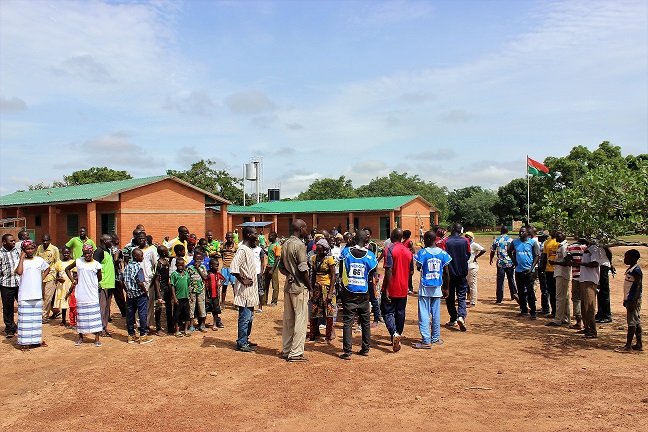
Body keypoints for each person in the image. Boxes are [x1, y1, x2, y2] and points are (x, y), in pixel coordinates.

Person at [338, 229, 377, 360]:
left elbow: (341, 269)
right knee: (365, 321)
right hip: (364, 292)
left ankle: (347, 352)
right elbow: (372, 275)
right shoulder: (371, 256)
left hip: (349, 290)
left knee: (348, 321)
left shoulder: (346, 252)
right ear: (366, 240)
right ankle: (365, 349)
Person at [412, 231, 452, 349]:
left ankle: (426, 340)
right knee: (436, 313)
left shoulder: (422, 253)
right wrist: (446, 287)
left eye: (424, 238)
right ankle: (435, 338)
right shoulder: (443, 253)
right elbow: (446, 272)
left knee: (424, 313)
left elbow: (419, 267)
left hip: (425, 287)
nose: (423, 240)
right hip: (437, 287)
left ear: (429, 239)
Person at [279, 219, 311, 362]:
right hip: (299, 288)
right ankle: (296, 352)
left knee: (288, 320)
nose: (307, 231)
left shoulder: (285, 244)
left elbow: (281, 266)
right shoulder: (300, 245)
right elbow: (303, 269)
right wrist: (310, 286)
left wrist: (289, 274)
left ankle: (286, 350)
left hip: (288, 287)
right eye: (306, 228)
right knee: (300, 320)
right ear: (301, 228)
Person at [65, 244, 103, 347]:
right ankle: (81, 337)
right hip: (81, 292)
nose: (87, 255)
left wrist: (91, 283)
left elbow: (99, 278)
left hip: (92, 293)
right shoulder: (78, 262)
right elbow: (67, 269)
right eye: (85, 253)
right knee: (81, 316)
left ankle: (96, 338)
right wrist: (73, 280)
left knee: (95, 315)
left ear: (92, 253)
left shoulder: (96, 264)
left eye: (89, 253)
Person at [14, 240, 50, 349]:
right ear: (23, 250)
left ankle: (35, 341)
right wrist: (21, 258)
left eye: (31, 248)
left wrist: (41, 278)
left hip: (37, 295)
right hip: (25, 295)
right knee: (25, 320)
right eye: (27, 249)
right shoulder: (21, 261)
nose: (30, 251)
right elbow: (19, 272)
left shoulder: (39, 260)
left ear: (35, 249)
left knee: (35, 320)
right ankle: (24, 342)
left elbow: (47, 268)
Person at [230, 227, 259, 352]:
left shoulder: (248, 249)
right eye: (255, 234)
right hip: (245, 290)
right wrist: (243, 280)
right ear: (248, 235)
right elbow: (234, 267)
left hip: (251, 290)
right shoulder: (242, 250)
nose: (257, 236)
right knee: (245, 317)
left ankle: (245, 339)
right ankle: (241, 342)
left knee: (250, 317)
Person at [382, 228, 412, 351]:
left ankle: (394, 333)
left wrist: (387, 289)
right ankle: (398, 333)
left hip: (391, 287)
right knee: (400, 312)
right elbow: (411, 271)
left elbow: (388, 269)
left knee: (387, 312)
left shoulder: (389, 249)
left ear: (392, 236)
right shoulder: (408, 251)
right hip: (403, 287)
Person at [508, 226, 541, 320]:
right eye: (520, 232)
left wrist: (532, 267)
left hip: (529, 271)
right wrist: (514, 262)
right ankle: (523, 309)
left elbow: (537, 256)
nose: (520, 233)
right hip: (518, 270)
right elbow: (509, 251)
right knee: (521, 291)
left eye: (522, 232)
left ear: (527, 233)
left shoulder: (533, 242)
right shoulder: (515, 242)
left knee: (530, 292)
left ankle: (533, 311)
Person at [122, 248, 153, 344]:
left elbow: (122, 280)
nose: (143, 257)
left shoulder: (127, 267)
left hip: (130, 295)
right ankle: (143, 335)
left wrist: (127, 291)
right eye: (141, 256)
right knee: (142, 314)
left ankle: (131, 335)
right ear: (136, 256)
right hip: (139, 294)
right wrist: (145, 291)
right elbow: (140, 282)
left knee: (130, 315)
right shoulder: (138, 268)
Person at [309, 239, 337, 342]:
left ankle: (328, 336)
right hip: (317, 287)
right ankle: (313, 334)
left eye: (320, 250)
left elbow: (333, 276)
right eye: (317, 250)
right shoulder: (313, 258)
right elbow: (312, 275)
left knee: (329, 312)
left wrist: (330, 293)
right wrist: (311, 289)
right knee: (314, 311)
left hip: (327, 287)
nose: (319, 252)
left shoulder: (329, 259)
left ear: (325, 249)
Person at [444, 224, 471, 330]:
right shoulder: (465, 241)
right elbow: (468, 254)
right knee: (461, 296)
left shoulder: (445, 241)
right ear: (461, 230)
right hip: (461, 273)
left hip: (449, 274)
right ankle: (461, 316)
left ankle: (453, 318)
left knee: (449, 297)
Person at [578, 239, 606, 338]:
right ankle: (587, 327)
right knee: (584, 306)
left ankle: (592, 330)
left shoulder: (594, 249)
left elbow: (595, 263)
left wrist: (580, 264)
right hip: (584, 279)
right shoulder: (588, 249)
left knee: (589, 306)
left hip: (590, 281)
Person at [616, 250, 642, 352]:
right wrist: (625, 300)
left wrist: (633, 301)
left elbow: (638, 286)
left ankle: (628, 346)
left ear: (633, 259)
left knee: (631, 322)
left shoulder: (636, 270)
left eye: (627, 257)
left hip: (633, 300)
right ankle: (639, 344)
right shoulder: (631, 269)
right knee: (636, 321)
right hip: (630, 299)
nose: (625, 259)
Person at [135, 232, 159, 332]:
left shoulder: (152, 250)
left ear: (146, 239)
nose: (141, 240)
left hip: (149, 280)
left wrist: (154, 279)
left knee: (149, 303)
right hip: (137, 281)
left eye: (143, 238)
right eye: (139, 238)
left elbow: (155, 265)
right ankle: (139, 325)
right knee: (138, 304)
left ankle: (148, 324)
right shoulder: (135, 250)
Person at [546, 232, 571, 327]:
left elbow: (567, 262)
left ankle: (558, 320)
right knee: (564, 297)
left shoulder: (564, 247)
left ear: (564, 237)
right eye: (556, 235)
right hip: (561, 273)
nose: (556, 237)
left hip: (562, 274)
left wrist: (555, 263)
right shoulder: (561, 246)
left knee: (560, 297)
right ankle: (565, 318)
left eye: (559, 236)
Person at [93, 234, 116, 337]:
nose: (112, 242)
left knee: (107, 308)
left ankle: (104, 327)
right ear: (104, 241)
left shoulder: (108, 251)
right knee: (101, 308)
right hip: (102, 284)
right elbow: (94, 267)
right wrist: (98, 282)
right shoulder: (99, 251)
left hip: (110, 284)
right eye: (110, 240)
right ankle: (99, 328)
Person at [490, 226, 518, 304]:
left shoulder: (496, 240)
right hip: (509, 262)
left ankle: (499, 299)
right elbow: (514, 252)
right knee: (511, 279)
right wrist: (515, 261)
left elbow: (492, 251)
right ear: (507, 231)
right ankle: (514, 295)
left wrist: (491, 259)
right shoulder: (511, 240)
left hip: (500, 263)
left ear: (501, 231)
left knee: (500, 281)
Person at [0, 233, 21, 338]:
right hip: (6, 284)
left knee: (22, 305)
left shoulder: (17, 252)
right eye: (11, 241)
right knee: (8, 308)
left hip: (18, 283)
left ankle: (22, 326)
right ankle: (10, 328)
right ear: (4, 242)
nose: (14, 242)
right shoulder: (0, 254)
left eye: (14, 241)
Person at [36, 234, 60, 322]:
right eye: (43, 241)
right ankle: (56, 311)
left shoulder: (55, 249)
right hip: (41, 275)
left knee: (47, 296)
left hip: (51, 275)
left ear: (50, 240)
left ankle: (44, 316)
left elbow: (57, 263)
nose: (45, 243)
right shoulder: (39, 248)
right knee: (43, 296)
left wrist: (58, 276)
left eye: (47, 241)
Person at [567, 238, 587, 329]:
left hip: (576, 276)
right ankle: (586, 322)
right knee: (585, 299)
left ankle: (579, 322)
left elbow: (568, 260)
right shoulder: (588, 248)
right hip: (587, 277)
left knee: (576, 298)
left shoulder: (571, 247)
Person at [153, 245, 174, 335]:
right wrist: (158, 294)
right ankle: (158, 329)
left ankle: (170, 327)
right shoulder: (159, 264)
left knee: (169, 308)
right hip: (161, 288)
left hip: (167, 287)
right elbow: (156, 280)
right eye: (166, 251)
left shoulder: (166, 262)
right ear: (164, 253)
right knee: (159, 309)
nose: (168, 252)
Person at [187, 248, 208, 333]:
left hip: (201, 291)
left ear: (202, 260)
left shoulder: (203, 267)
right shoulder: (190, 268)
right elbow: (187, 279)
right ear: (193, 259)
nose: (198, 261)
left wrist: (198, 268)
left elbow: (205, 277)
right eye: (196, 259)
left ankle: (202, 324)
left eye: (200, 259)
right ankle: (191, 325)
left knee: (201, 307)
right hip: (191, 291)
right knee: (191, 307)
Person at [364, 228, 382, 326]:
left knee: (374, 296)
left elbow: (374, 261)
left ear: (370, 235)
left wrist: (376, 275)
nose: (366, 236)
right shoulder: (360, 245)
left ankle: (376, 318)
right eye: (364, 234)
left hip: (372, 274)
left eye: (367, 234)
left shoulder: (373, 246)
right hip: (363, 275)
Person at [53, 246, 74, 328]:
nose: (66, 254)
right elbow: (56, 275)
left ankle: (73, 320)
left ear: (70, 253)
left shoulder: (72, 262)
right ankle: (63, 319)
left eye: (68, 253)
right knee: (63, 303)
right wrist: (58, 279)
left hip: (70, 284)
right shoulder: (58, 263)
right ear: (62, 253)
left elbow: (75, 275)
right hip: (62, 285)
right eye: (64, 253)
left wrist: (73, 283)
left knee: (71, 302)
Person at [171, 257, 191, 337]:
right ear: (176, 265)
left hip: (186, 297)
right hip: (178, 298)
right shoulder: (174, 275)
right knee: (177, 314)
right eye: (179, 265)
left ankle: (186, 330)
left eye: (182, 265)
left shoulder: (186, 274)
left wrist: (189, 295)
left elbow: (188, 285)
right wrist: (174, 298)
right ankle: (177, 330)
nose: (180, 267)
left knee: (187, 314)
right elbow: (172, 286)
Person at [464, 232, 485, 307]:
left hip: (472, 266)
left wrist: (476, 257)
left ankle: (473, 302)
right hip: (466, 266)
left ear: (471, 238)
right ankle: (468, 298)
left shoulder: (474, 244)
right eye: (465, 236)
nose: (466, 238)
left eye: (468, 237)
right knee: (467, 284)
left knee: (472, 284)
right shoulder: (465, 245)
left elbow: (483, 250)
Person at [542, 232, 560, 318]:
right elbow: (544, 256)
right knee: (551, 292)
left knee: (558, 293)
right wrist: (542, 269)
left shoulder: (560, 242)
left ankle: (560, 313)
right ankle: (554, 311)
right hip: (549, 270)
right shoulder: (547, 242)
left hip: (558, 270)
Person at [595, 246, 615, 324]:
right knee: (599, 291)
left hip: (603, 266)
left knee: (604, 292)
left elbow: (609, 252)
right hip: (599, 267)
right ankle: (600, 313)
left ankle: (607, 315)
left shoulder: (601, 243)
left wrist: (611, 263)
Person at [262, 232, 282, 306]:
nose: (269, 237)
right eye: (269, 236)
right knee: (265, 284)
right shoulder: (271, 245)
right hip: (268, 266)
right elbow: (270, 255)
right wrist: (264, 251)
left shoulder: (277, 246)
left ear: (275, 237)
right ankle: (264, 301)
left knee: (275, 285)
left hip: (274, 267)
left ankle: (274, 301)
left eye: (271, 236)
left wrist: (272, 270)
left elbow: (277, 258)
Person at [110, 234, 126, 318]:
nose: (118, 240)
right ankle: (124, 312)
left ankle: (107, 315)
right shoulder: (116, 250)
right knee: (119, 296)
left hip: (109, 275)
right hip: (116, 276)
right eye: (116, 239)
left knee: (108, 297)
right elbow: (116, 260)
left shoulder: (108, 249)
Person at [206, 257, 225, 330]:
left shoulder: (218, 274)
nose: (217, 267)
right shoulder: (208, 274)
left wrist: (220, 285)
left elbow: (224, 279)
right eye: (216, 266)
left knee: (215, 311)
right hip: (209, 295)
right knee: (206, 310)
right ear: (211, 266)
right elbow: (205, 283)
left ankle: (214, 324)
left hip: (216, 296)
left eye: (218, 265)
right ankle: (202, 324)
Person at [220, 232, 237, 304]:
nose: (230, 239)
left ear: (233, 238)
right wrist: (225, 250)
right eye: (228, 237)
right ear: (226, 238)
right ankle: (223, 302)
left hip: (233, 268)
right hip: (225, 267)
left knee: (234, 286)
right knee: (224, 285)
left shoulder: (235, 246)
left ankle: (236, 303)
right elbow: (221, 252)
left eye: (231, 237)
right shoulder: (223, 246)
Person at [252, 239, 266, 312]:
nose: (253, 242)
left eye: (255, 241)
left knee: (260, 289)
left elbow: (262, 261)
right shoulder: (248, 249)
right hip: (250, 273)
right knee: (250, 289)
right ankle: (251, 305)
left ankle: (260, 306)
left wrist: (261, 271)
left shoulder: (260, 250)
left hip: (258, 272)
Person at [402, 229, 416, 295]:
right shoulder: (403, 242)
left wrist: (406, 250)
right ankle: (406, 288)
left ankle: (410, 288)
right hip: (404, 261)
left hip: (409, 261)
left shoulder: (409, 242)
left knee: (409, 275)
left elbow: (413, 251)